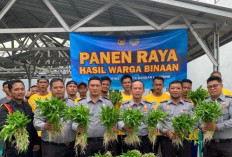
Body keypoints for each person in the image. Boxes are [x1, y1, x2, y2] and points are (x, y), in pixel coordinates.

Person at [72, 76, 115, 157]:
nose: (95, 88)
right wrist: (77, 127)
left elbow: (114, 120)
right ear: (88, 87)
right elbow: (74, 122)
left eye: (97, 85)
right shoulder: (80, 103)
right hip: (85, 142)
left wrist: (114, 126)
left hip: (104, 141)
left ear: (101, 87)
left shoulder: (108, 103)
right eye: (92, 86)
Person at [33, 78, 76, 157]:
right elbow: (36, 121)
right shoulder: (44, 103)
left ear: (64, 89)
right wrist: (44, 125)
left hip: (69, 146)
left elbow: (75, 120)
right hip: (50, 146)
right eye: (55, 88)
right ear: (50, 89)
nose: (59, 89)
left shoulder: (71, 103)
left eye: (61, 87)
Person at [0, 80, 40, 157]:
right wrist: (15, 130)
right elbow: (2, 127)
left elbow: (32, 125)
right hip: (13, 147)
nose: (20, 92)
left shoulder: (27, 106)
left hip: (28, 146)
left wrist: (36, 142)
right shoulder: (5, 108)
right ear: (10, 92)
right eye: (16, 89)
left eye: (22, 89)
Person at [158, 80, 193, 157]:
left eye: (178, 88)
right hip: (167, 141)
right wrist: (165, 131)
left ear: (182, 90)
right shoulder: (162, 105)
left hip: (184, 140)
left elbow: (194, 122)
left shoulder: (188, 105)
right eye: (173, 88)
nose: (175, 90)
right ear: (169, 90)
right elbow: (158, 122)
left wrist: (187, 131)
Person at [118, 80, 154, 154]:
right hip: (129, 139)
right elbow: (119, 120)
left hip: (145, 140)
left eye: (140, 88)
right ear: (131, 90)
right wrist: (125, 127)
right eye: (135, 88)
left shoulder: (149, 105)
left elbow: (155, 120)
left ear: (143, 91)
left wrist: (154, 126)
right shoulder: (124, 105)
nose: (137, 90)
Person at [202, 76, 232, 157]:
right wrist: (202, 126)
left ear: (221, 86)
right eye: (209, 87)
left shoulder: (229, 101)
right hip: (209, 143)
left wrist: (217, 127)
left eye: (215, 86)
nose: (212, 88)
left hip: (227, 144)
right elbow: (199, 119)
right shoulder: (204, 103)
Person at [144, 76, 170, 154]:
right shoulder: (146, 98)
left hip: (165, 132)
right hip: (152, 132)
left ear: (163, 85)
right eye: (156, 85)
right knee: (152, 153)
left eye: (160, 85)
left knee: (166, 154)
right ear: (153, 85)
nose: (158, 87)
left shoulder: (168, 97)